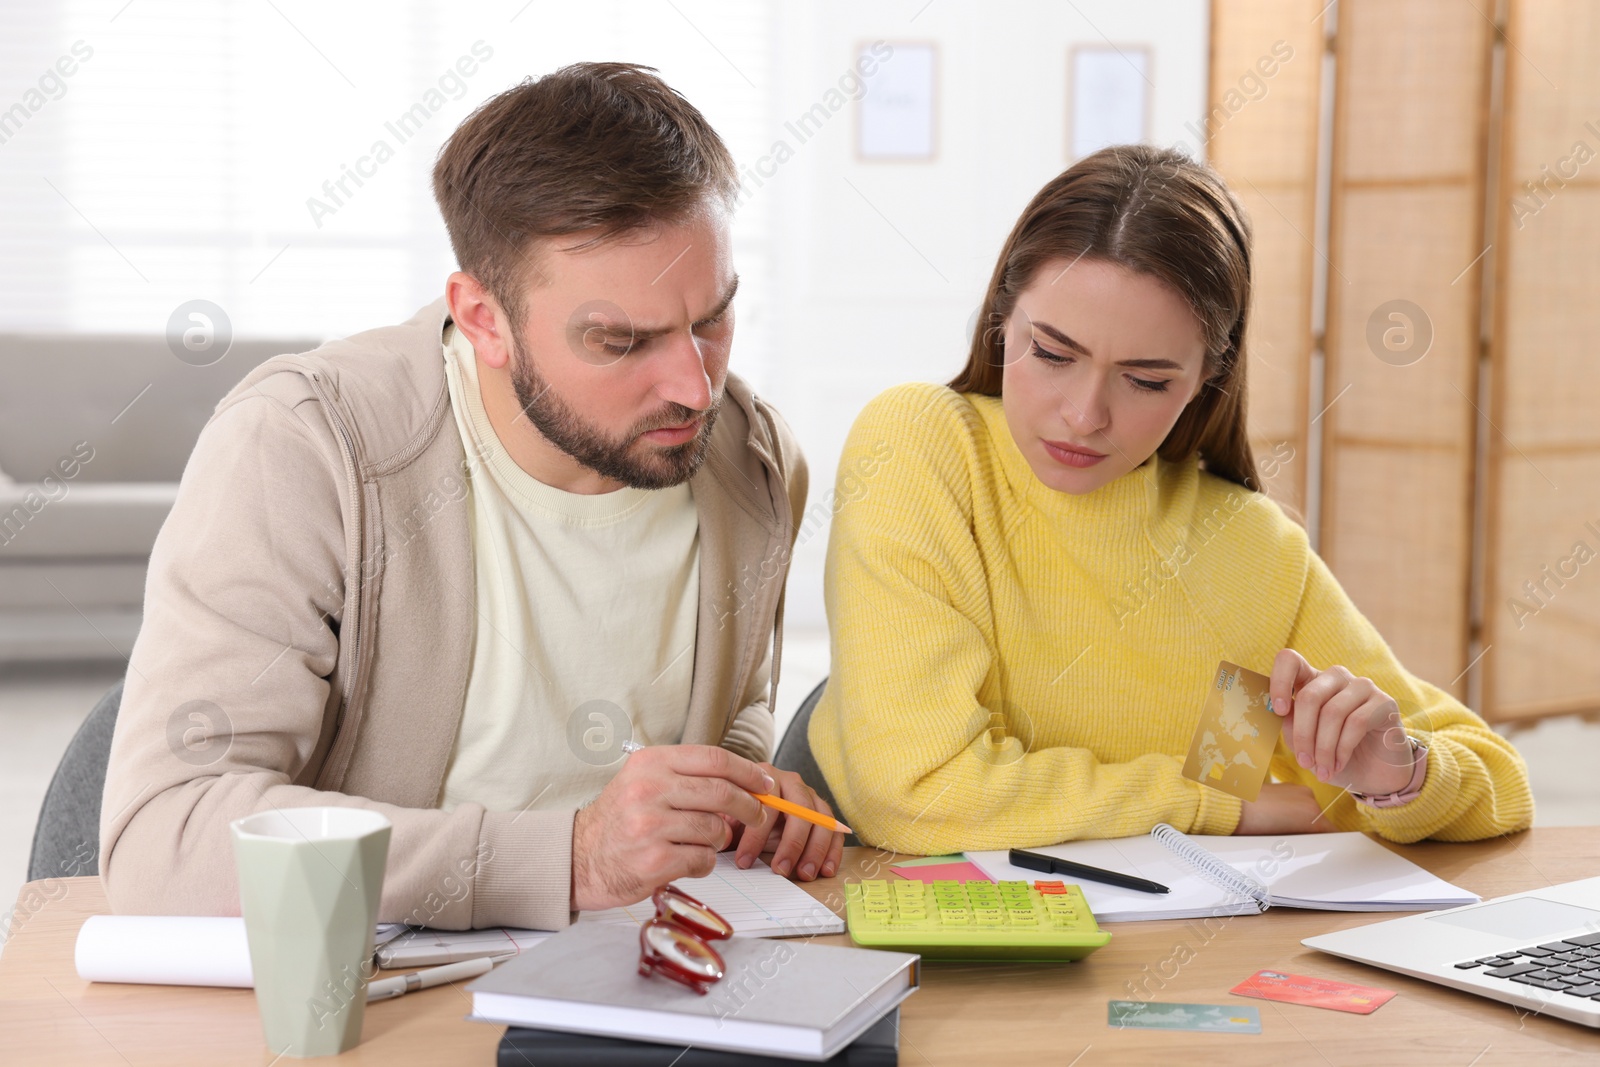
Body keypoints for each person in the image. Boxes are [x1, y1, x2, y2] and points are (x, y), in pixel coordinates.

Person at [100, 63, 842, 933]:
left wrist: (732, 796)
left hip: (646, 972)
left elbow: (738, 707)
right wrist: (568, 858)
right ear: (483, 318)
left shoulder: (751, 461)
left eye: (711, 317)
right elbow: (165, 840)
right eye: (620, 340)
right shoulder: (303, 447)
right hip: (371, 994)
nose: (693, 385)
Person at [808, 144, 1532, 854]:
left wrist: (1398, 774)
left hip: (1157, 937)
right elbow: (916, 792)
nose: (1085, 414)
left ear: (1205, 381)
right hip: (897, 916)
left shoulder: (1250, 551)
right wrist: (1224, 808)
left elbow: (1499, 779)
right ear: (1002, 319)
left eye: (1146, 379)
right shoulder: (925, 444)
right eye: (1054, 354)